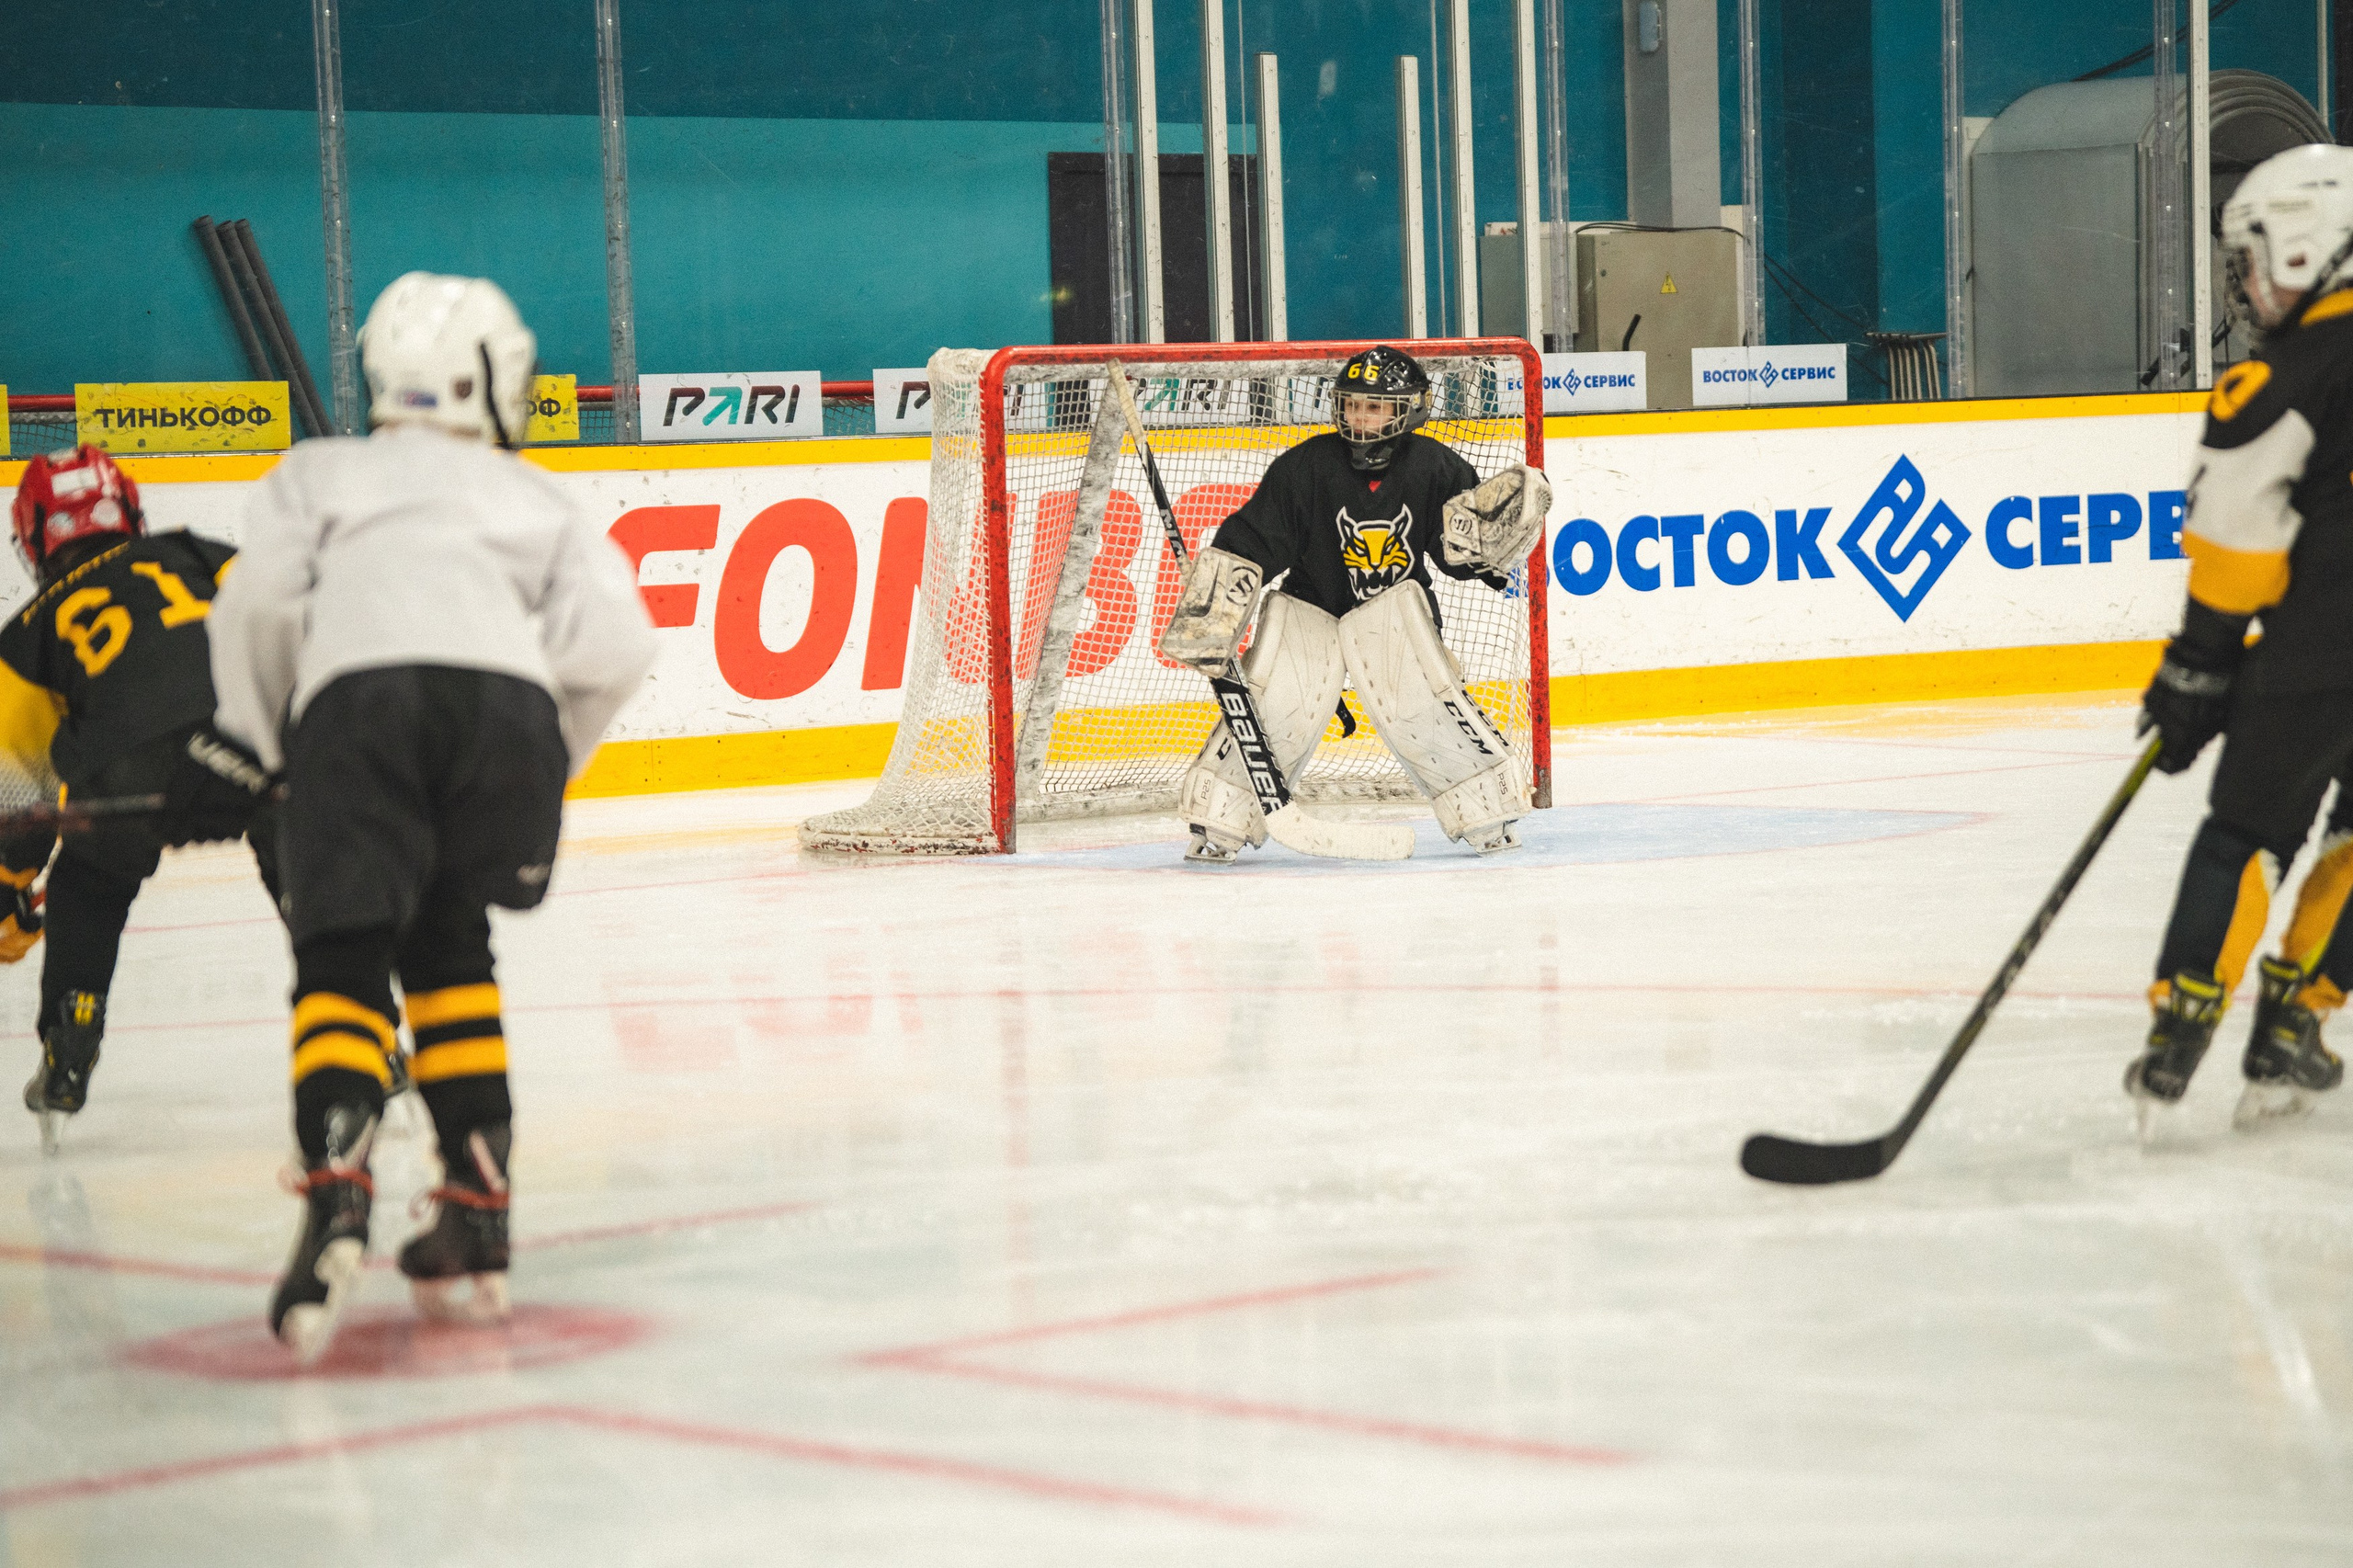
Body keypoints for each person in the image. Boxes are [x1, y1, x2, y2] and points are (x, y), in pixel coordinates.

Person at [167, 271, 656, 1363]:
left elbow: (254, 607)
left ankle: (338, 1183)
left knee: (342, 945)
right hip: (507, 717)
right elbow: (618, 645)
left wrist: (273, 743)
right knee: (450, 944)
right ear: (492, 377)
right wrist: (540, 762)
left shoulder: (317, 473)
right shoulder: (535, 496)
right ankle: (477, 1210)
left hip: (361, 703)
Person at [2128, 144, 2353, 1137]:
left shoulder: (2281, 376)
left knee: (2246, 837)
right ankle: (2294, 1021)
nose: (2246, 282)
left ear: (2306, 248)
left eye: (2252, 256)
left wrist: (2198, 666)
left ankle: (2181, 1030)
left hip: (2313, 660)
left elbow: (2235, 540)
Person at [1156, 344, 1549, 863]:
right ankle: (1219, 822)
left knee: (1420, 702)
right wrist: (1216, 598)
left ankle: (1487, 814)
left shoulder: (1434, 466)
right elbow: (1257, 540)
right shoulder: (1305, 467)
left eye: (1375, 407)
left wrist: (1484, 550)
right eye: (1352, 404)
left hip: (1394, 615)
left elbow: (1456, 552)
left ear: (1407, 410)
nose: (1360, 417)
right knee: (1277, 703)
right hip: (1310, 610)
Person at [3, 444, 274, 1153]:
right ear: (126, 509)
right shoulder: (193, 550)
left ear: (34, 538)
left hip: (125, 774)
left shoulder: (25, 636)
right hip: (245, 737)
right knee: (303, 846)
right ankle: (368, 1027)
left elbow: (18, 791)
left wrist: (9, 886)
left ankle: (69, 1046)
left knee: (88, 884)